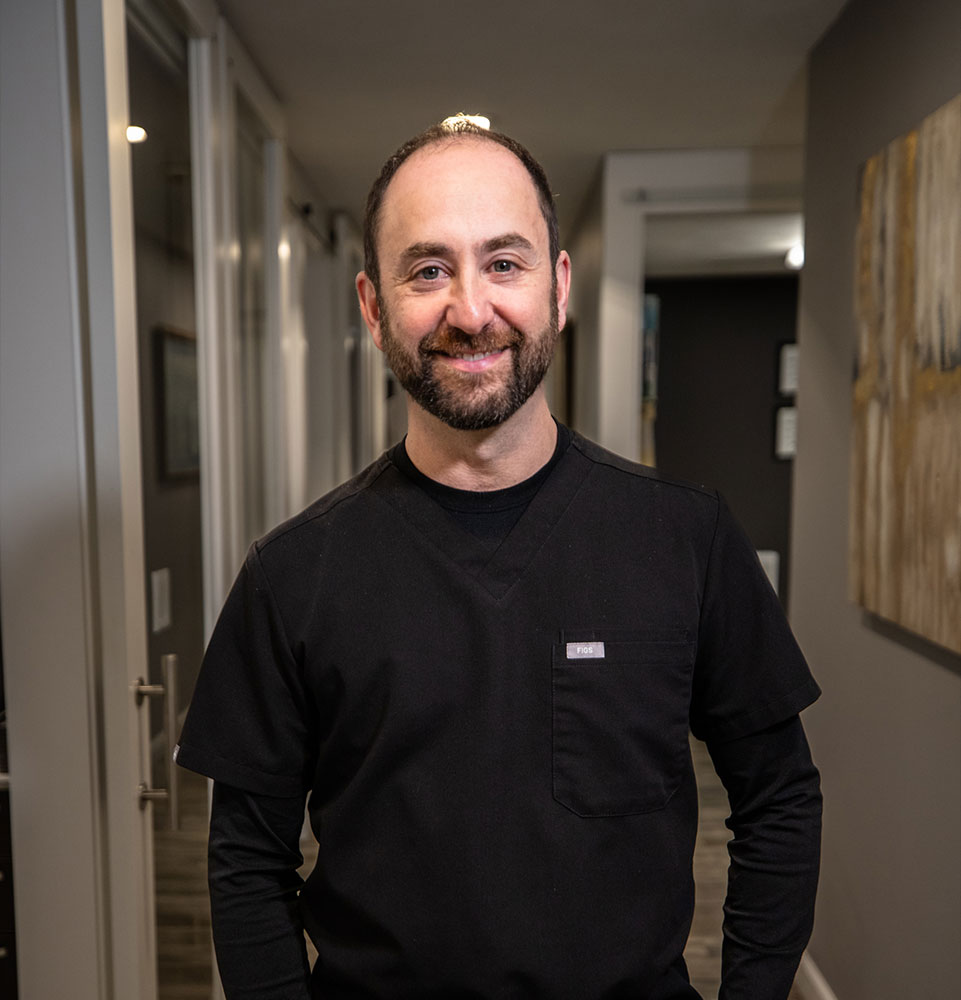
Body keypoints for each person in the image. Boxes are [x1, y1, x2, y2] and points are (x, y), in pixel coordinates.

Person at [176, 116, 822, 1000]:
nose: (470, 310)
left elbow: (778, 799)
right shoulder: (292, 578)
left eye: (504, 263)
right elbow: (246, 861)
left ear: (558, 287)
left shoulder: (685, 539)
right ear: (373, 307)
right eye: (428, 269)